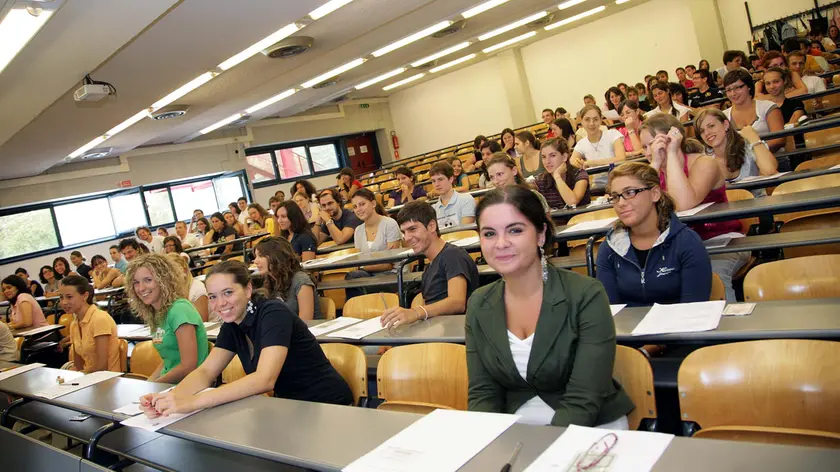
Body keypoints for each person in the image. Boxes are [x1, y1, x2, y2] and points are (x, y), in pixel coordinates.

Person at [465, 186, 634, 428]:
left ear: (541, 234)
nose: (500, 243)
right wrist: (487, 442)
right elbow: (483, 394)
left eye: (515, 230)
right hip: (516, 432)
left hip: (588, 429)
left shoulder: (585, 294)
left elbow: (583, 399)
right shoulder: (479, 303)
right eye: (489, 234)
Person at [138, 261, 352, 419]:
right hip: (291, 408)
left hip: (328, 407)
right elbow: (205, 372)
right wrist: (170, 399)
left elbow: (264, 380)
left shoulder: (272, 313)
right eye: (212, 296)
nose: (220, 303)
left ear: (248, 289)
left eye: (228, 292)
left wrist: (192, 401)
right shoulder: (232, 324)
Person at [640, 113, 748, 301]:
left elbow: (682, 204)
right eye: (644, 147)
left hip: (720, 240)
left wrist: (672, 153)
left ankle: (730, 326)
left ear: (672, 138)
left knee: (712, 276)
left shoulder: (705, 163)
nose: (649, 151)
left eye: (653, 143)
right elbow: (639, 207)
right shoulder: (654, 170)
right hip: (679, 247)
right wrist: (655, 164)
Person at [597, 162, 712, 306]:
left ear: (655, 194)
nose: (620, 203)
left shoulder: (687, 242)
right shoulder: (609, 248)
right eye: (615, 197)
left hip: (678, 326)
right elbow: (609, 311)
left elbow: (694, 309)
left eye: (630, 192)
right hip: (627, 327)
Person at [380, 202, 479, 328]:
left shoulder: (453, 255)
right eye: (404, 232)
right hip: (435, 331)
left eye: (412, 229)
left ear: (431, 226)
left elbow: (457, 303)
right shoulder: (429, 267)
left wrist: (415, 312)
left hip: (453, 336)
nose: (407, 237)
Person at [125, 254, 209, 383]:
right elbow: (168, 361)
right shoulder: (157, 313)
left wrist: (155, 386)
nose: (141, 288)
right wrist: (149, 383)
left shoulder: (180, 309)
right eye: (136, 282)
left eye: (148, 280)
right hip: (169, 385)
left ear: (164, 280)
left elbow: (188, 366)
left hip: (188, 386)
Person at [694, 109, 778, 191]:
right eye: (702, 131)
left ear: (725, 125)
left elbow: (770, 171)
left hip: (758, 202)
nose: (707, 133)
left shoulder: (747, 143)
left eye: (711, 126)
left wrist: (754, 138)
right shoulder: (703, 157)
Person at [60, 275, 121, 372]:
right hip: (89, 377)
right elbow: (78, 365)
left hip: (107, 379)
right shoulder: (74, 324)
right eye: (61, 297)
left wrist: (82, 377)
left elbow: (102, 367)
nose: (64, 302)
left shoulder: (99, 319)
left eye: (69, 297)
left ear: (85, 296)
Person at [254, 238, 323, 320]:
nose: (255, 261)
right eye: (256, 256)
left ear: (277, 256)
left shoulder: (301, 280)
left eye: (261, 256)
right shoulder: (271, 281)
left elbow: (306, 321)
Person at [722, 69, 785, 152]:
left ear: (749, 87)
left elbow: (779, 139)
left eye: (737, 88)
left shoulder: (768, 107)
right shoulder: (723, 116)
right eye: (729, 90)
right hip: (740, 163)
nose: (733, 94)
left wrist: (753, 154)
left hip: (773, 158)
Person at [571, 105, 626, 188]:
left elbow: (621, 158)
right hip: (597, 186)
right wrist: (578, 163)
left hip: (619, 181)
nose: (591, 123)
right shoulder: (581, 144)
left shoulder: (613, 134)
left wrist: (590, 163)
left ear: (601, 119)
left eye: (595, 119)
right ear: (581, 121)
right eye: (587, 120)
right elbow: (572, 163)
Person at [485, 153, 551, 214]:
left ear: (514, 170)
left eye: (500, 174)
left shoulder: (533, 196)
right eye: (492, 177)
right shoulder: (493, 204)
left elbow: (547, 224)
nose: (495, 181)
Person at [536, 138, 590, 210]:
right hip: (557, 221)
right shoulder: (541, 181)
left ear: (564, 157)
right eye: (544, 157)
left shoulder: (579, 174)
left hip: (582, 218)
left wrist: (557, 177)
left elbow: (572, 202)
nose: (547, 161)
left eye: (552, 155)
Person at [167, 254, 212, 323]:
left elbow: (203, 322)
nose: (169, 276)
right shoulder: (170, 290)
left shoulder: (197, 288)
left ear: (184, 270)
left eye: (173, 271)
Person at [430, 161, 476, 229]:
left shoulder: (467, 200)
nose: (436, 184)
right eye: (433, 181)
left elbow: (466, 232)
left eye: (440, 179)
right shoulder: (433, 209)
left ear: (451, 179)